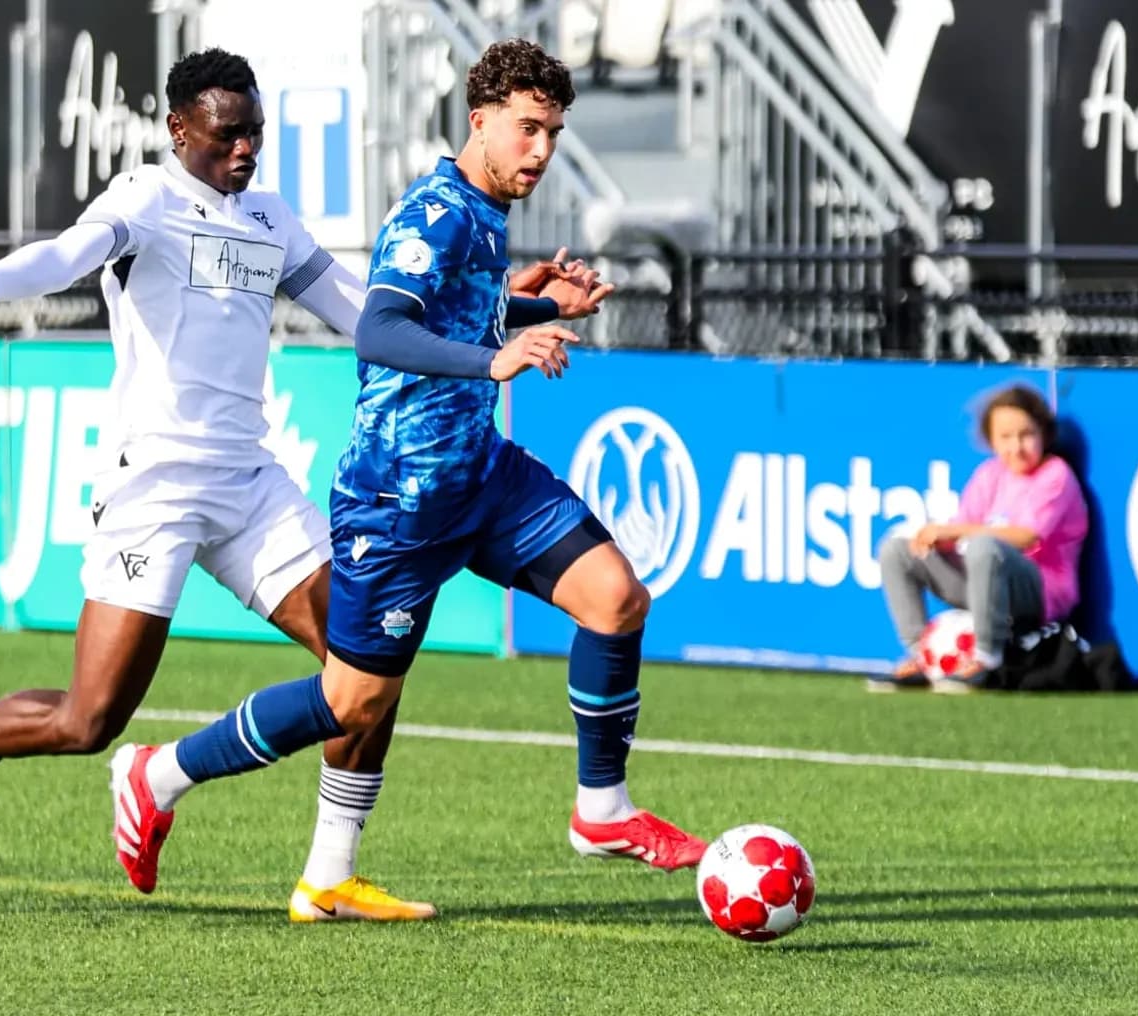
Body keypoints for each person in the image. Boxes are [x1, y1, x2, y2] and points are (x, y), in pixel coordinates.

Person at [0, 48, 599, 923]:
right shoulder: (144, 200)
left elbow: (365, 311)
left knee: (363, 672)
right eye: (227, 134)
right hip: (153, 487)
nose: (244, 151)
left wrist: (519, 303)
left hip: (248, 480)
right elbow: (66, 254)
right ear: (179, 130)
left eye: (255, 135)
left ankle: (328, 876)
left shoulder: (271, 218)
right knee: (90, 722)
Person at [105, 39, 710, 915]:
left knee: (616, 599)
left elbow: (457, 305)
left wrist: (538, 304)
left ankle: (602, 809)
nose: (541, 151)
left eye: (554, 133)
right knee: (351, 702)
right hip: (397, 498)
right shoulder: (436, 213)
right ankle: (160, 774)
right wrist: (496, 357)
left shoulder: (486, 209)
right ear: (481, 120)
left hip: (479, 473)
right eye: (528, 129)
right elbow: (381, 331)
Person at [870, 383, 1089, 693]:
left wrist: (952, 531)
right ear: (991, 440)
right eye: (1005, 437)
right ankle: (923, 656)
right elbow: (963, 531)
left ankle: (986, 658)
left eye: (1026, 435)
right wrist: (935, 540)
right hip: (984, 583)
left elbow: (1025, 536)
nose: (1016, 447)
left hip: (1038, 593)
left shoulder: (1055, 475)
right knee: (896, 550)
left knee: (986, 547)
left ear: (1044, 434)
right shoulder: (990, 474)